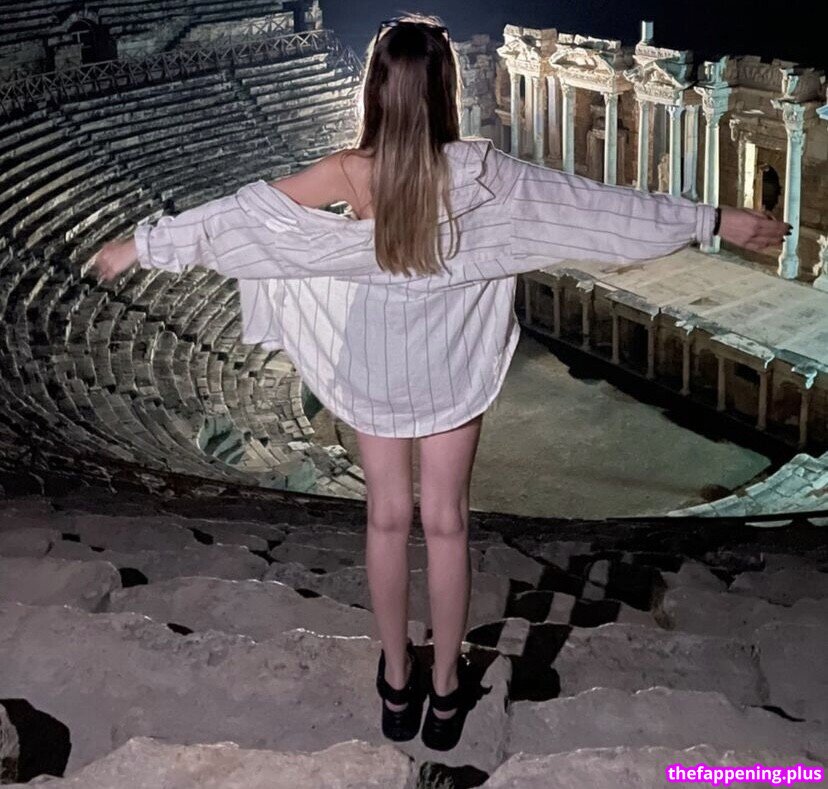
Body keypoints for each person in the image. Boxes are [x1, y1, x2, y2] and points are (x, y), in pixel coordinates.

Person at [90, 12, 790, 752]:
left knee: (387, 520)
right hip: (453, 360)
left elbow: (245, 214)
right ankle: (448, 689)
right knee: (448, 523)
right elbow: (595, 207)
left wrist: (143, 245)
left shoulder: (350, 171)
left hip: (372, 363)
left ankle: (397, 680)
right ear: (448, 89)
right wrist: (712, 220)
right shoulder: (488, 175)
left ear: (375, 90)